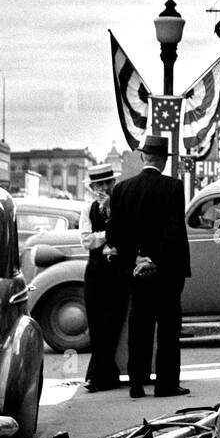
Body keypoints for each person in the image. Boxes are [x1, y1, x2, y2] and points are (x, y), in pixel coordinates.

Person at [109, 133, 191, 399]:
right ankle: (166, 385)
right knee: (168, 328)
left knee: (139, 326)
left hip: (136, 272)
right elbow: (174, 230)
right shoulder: (174, 187)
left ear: (143, 156)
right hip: (166, 271)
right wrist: (154, 259)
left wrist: (136, 260)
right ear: (164, 161)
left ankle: (136, 383)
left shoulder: (121, 189)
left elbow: (115, 235)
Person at [81, 163, 132, 392]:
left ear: (113, 183)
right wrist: (108, 235)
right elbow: (86, 241)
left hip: (118, 273)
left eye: (106, 183)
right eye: (98, 185)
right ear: (92, 187)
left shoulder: (122, 206)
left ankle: (99, 376)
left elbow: (128, 235)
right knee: (97, 325)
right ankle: (102, 375)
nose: (102, 188)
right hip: (96, 273)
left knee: (113, 324)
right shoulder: (88, 209)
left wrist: (103, 236)